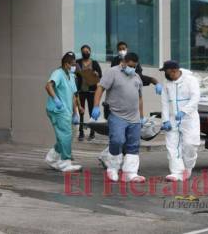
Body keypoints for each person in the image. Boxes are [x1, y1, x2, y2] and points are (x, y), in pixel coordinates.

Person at [92, 53, 146, 183]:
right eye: (130, 66)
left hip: (134, 118)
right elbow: (100, 88)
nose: (132, 68)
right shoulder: (112, 72)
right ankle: (113, 168)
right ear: (124, 62)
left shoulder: (136, 76)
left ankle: (130, 173)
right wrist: (96, 106)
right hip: (117, 115)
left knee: (133, 145)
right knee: (117, 140)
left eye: (135, 66)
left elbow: (139, 98)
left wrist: (142, 116)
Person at [160, 60, 200, 182]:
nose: (165, 74)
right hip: (172, 118)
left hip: (189, 118)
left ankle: (188, 168)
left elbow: (195, 97)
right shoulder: (167, 83)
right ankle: (176, 172)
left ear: (173, 71)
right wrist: (165, 120)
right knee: (172, 145)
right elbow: (164, 102)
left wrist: (185, 111)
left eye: (166, 71)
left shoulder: (190, 80)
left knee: (190, 144)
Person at [45, 52, 82, 172]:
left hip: (67, 111)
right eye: (72, 64)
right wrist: (56, 100)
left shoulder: (71, 76)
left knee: (64, 136)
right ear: (66, 64)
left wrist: (75, 113)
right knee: (66, 135)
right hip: (58, 110)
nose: (74, 66)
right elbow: (48, 86)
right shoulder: (58, 73)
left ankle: (51, 158)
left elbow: (73, 96)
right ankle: (65, 162)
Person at [76, 45, 102, 141]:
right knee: (81, 111)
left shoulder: (94, 63)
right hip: (81, 90)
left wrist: (96, 74)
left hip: (92, 91)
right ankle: (81, 132)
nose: (85, 53)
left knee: (92, 112)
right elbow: (73, 74)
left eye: (87, 51)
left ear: (90, 52)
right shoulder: (78, 62)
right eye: (83, 51)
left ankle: (92, 132)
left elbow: (100, 75)